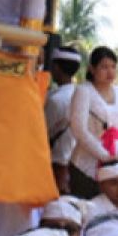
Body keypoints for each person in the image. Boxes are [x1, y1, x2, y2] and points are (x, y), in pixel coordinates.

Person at [68, 46, 118, 200]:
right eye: (104, 67)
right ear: (92, 69)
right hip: (87, 166)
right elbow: (79, 129)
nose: (110, 72)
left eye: (113, 67)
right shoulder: (84, 91)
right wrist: (104, 156)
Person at [45, 46, 83, 194]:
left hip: (57, 167)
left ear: (56, 67)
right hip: (76, 166)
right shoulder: (81, 94)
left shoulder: (56, 100)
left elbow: (42, 132)